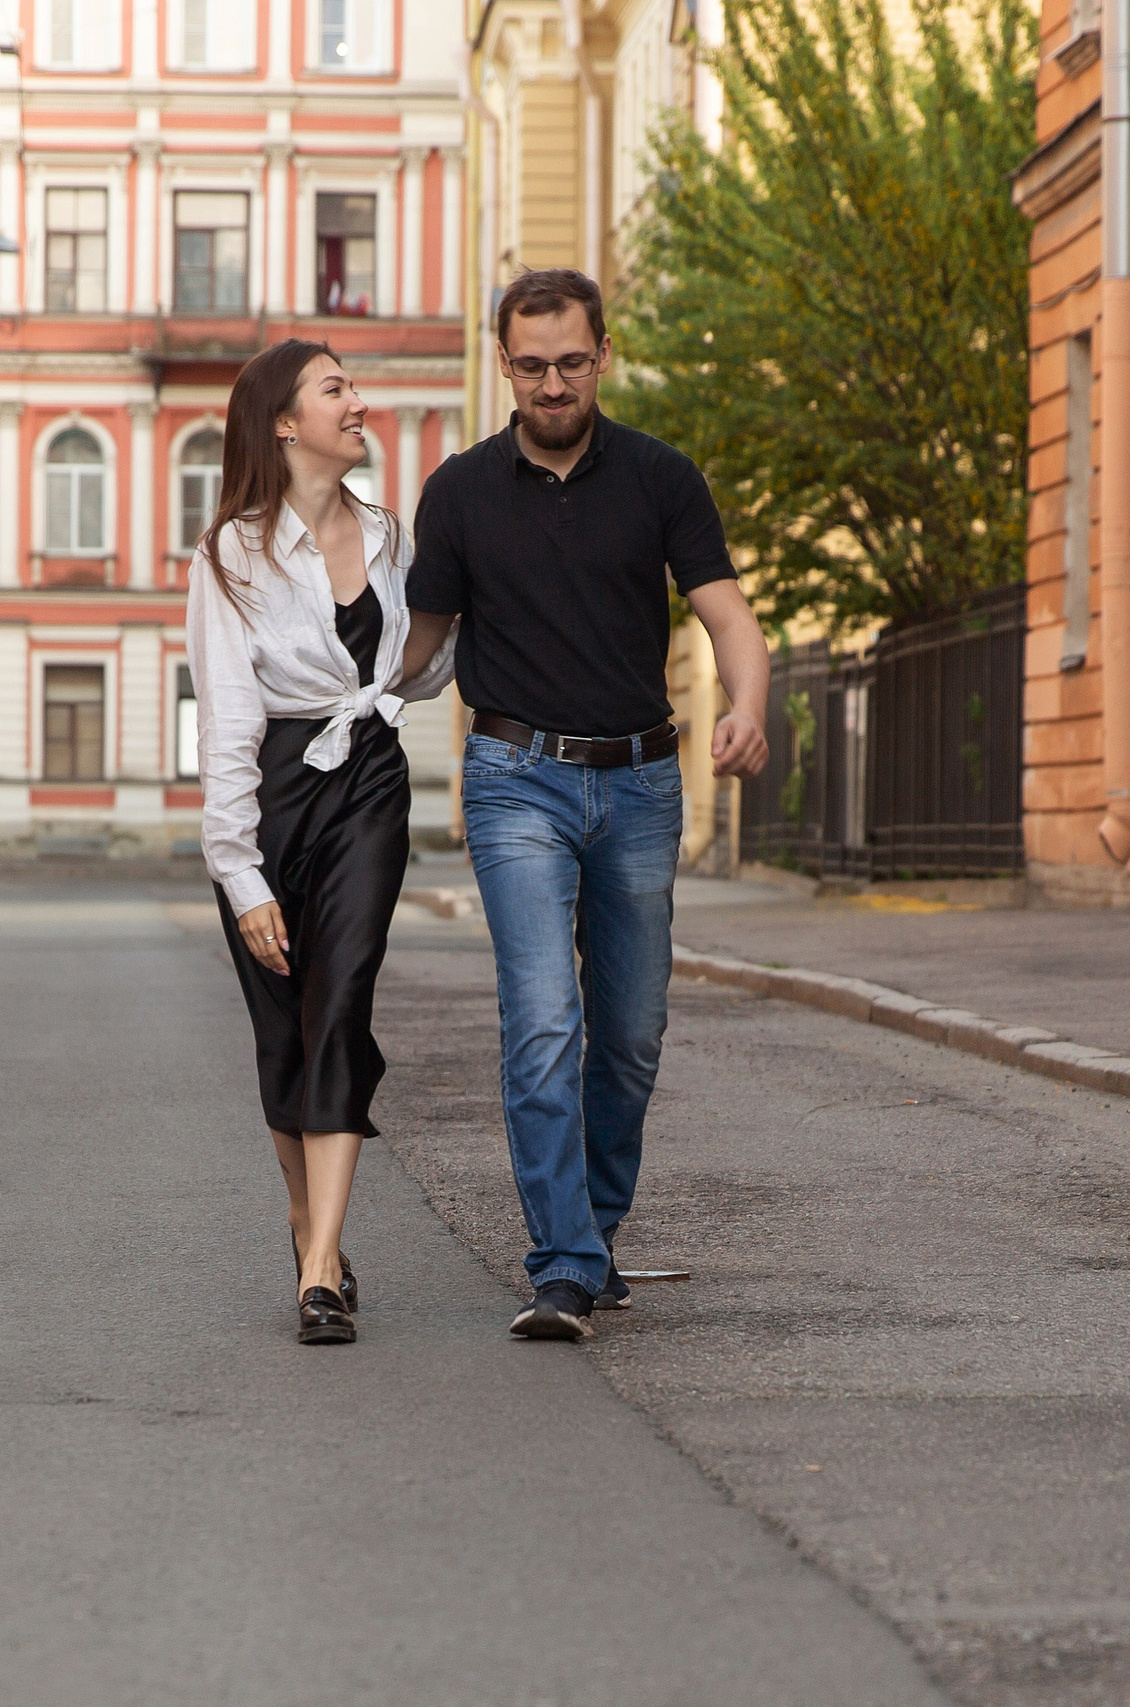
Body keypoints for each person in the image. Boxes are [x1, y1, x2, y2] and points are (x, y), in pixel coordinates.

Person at [399, 268, 770, 1342]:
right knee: (543, 1019)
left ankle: (594, 1233)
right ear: (501, 364)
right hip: (516, 779)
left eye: (570, 361)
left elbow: (728, 616)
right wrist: (330, 683)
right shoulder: (459, 492)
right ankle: (561, 1264)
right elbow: (414, 648)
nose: (552, 383)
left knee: (633, 1034)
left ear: (602, 355)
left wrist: (746, 703)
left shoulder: (659, 478)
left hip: (645, 784)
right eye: (530, 365)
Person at [189, 339, 456, 1347]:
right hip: (270, 795)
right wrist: (239, 871)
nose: (359, 403)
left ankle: (317, 1270)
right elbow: (223, 726)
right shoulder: (228, 556)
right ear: (283, 423)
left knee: (339, 1002)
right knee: (282, 1028)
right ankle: (312, 1227)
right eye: (334, 389)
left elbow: (415, 670)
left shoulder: (390, 537)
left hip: (368, 783)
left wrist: (439, 643)